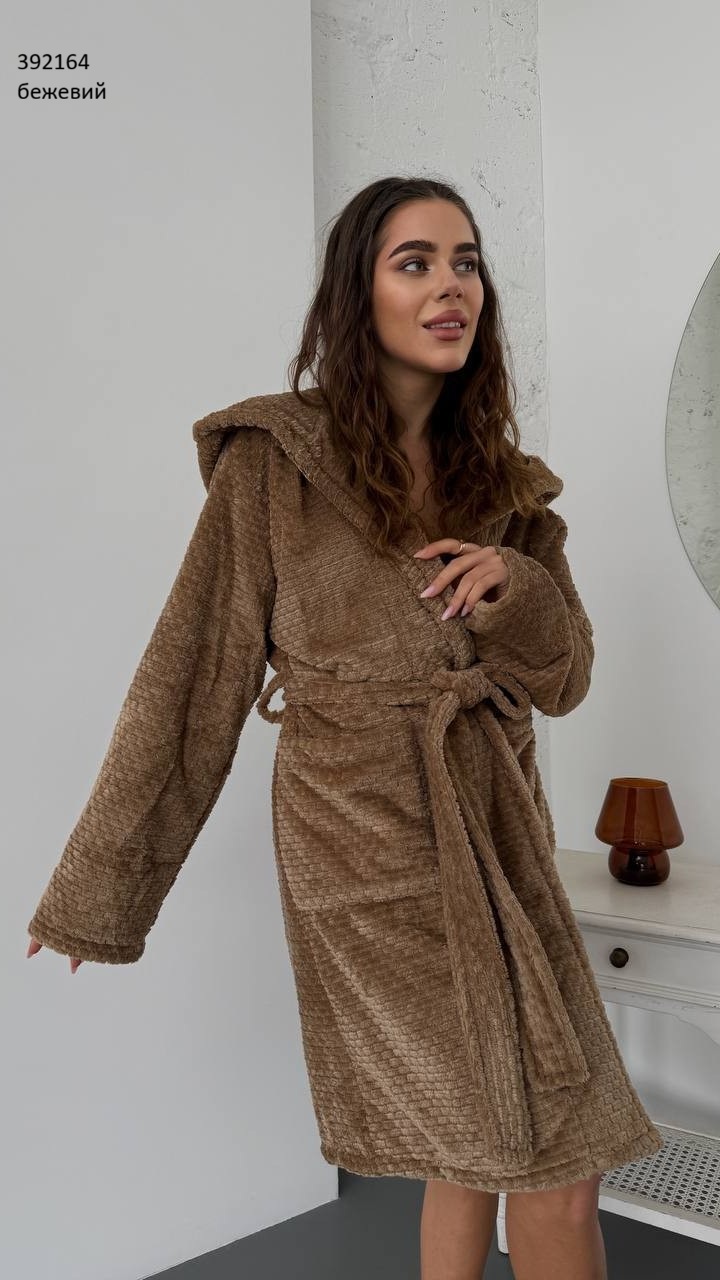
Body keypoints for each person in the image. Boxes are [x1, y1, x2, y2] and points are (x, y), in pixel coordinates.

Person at [27, 176, 662, 1280]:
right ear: (355, 292)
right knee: (527, 1154)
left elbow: (565, 682)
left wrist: (514, 587)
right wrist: (101, 890)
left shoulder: (509, 486)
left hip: (497, 841)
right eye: (414, 262)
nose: (451, 286)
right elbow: (191, 681)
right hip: (362, 851)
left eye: (466, 262)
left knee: (495, 1151)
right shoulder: (276, 465)